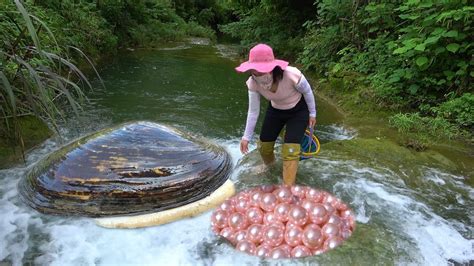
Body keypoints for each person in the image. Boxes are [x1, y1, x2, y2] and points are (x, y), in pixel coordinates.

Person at [235, 43, 317, 185]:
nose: (258, 75)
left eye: (262, 71)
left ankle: (287, 188)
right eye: (255, 71)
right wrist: (246, 137)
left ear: (273, 67)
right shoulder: (253, 83)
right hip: (275, 110)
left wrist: (312, 114)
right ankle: (269, 166)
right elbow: (253, 111)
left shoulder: (291, 74)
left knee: (290, 149)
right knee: (264, 145)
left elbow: (307, 91)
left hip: (298, 110)